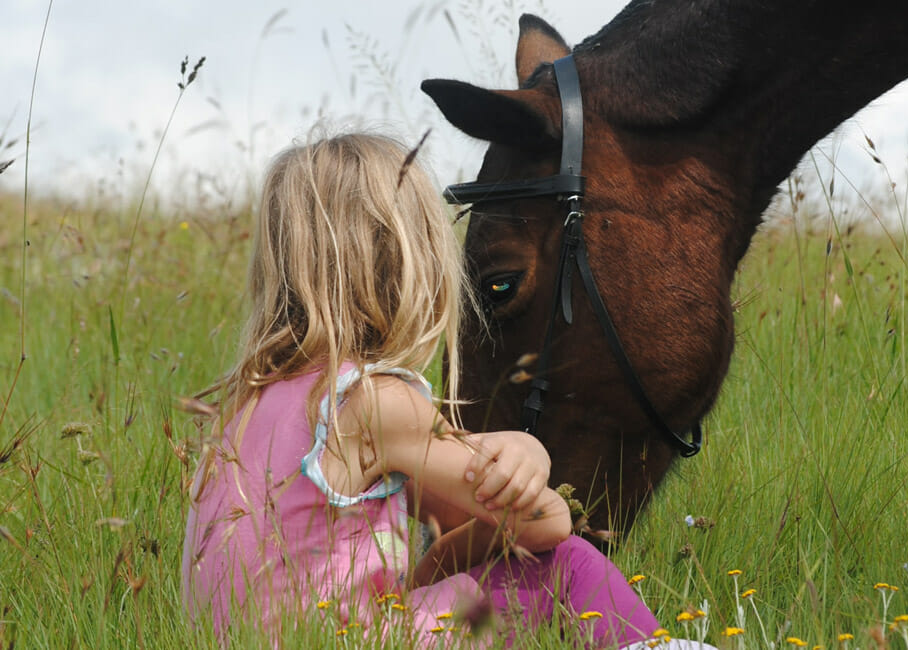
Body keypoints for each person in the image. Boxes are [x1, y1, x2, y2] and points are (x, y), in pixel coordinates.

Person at [181, 131, 716, 649]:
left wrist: (491, 503)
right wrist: (528, 452)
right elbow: (548, 525)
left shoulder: (246, 411)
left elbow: (454, 540)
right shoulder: (373, 403)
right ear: (413, 264)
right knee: (571, 566)